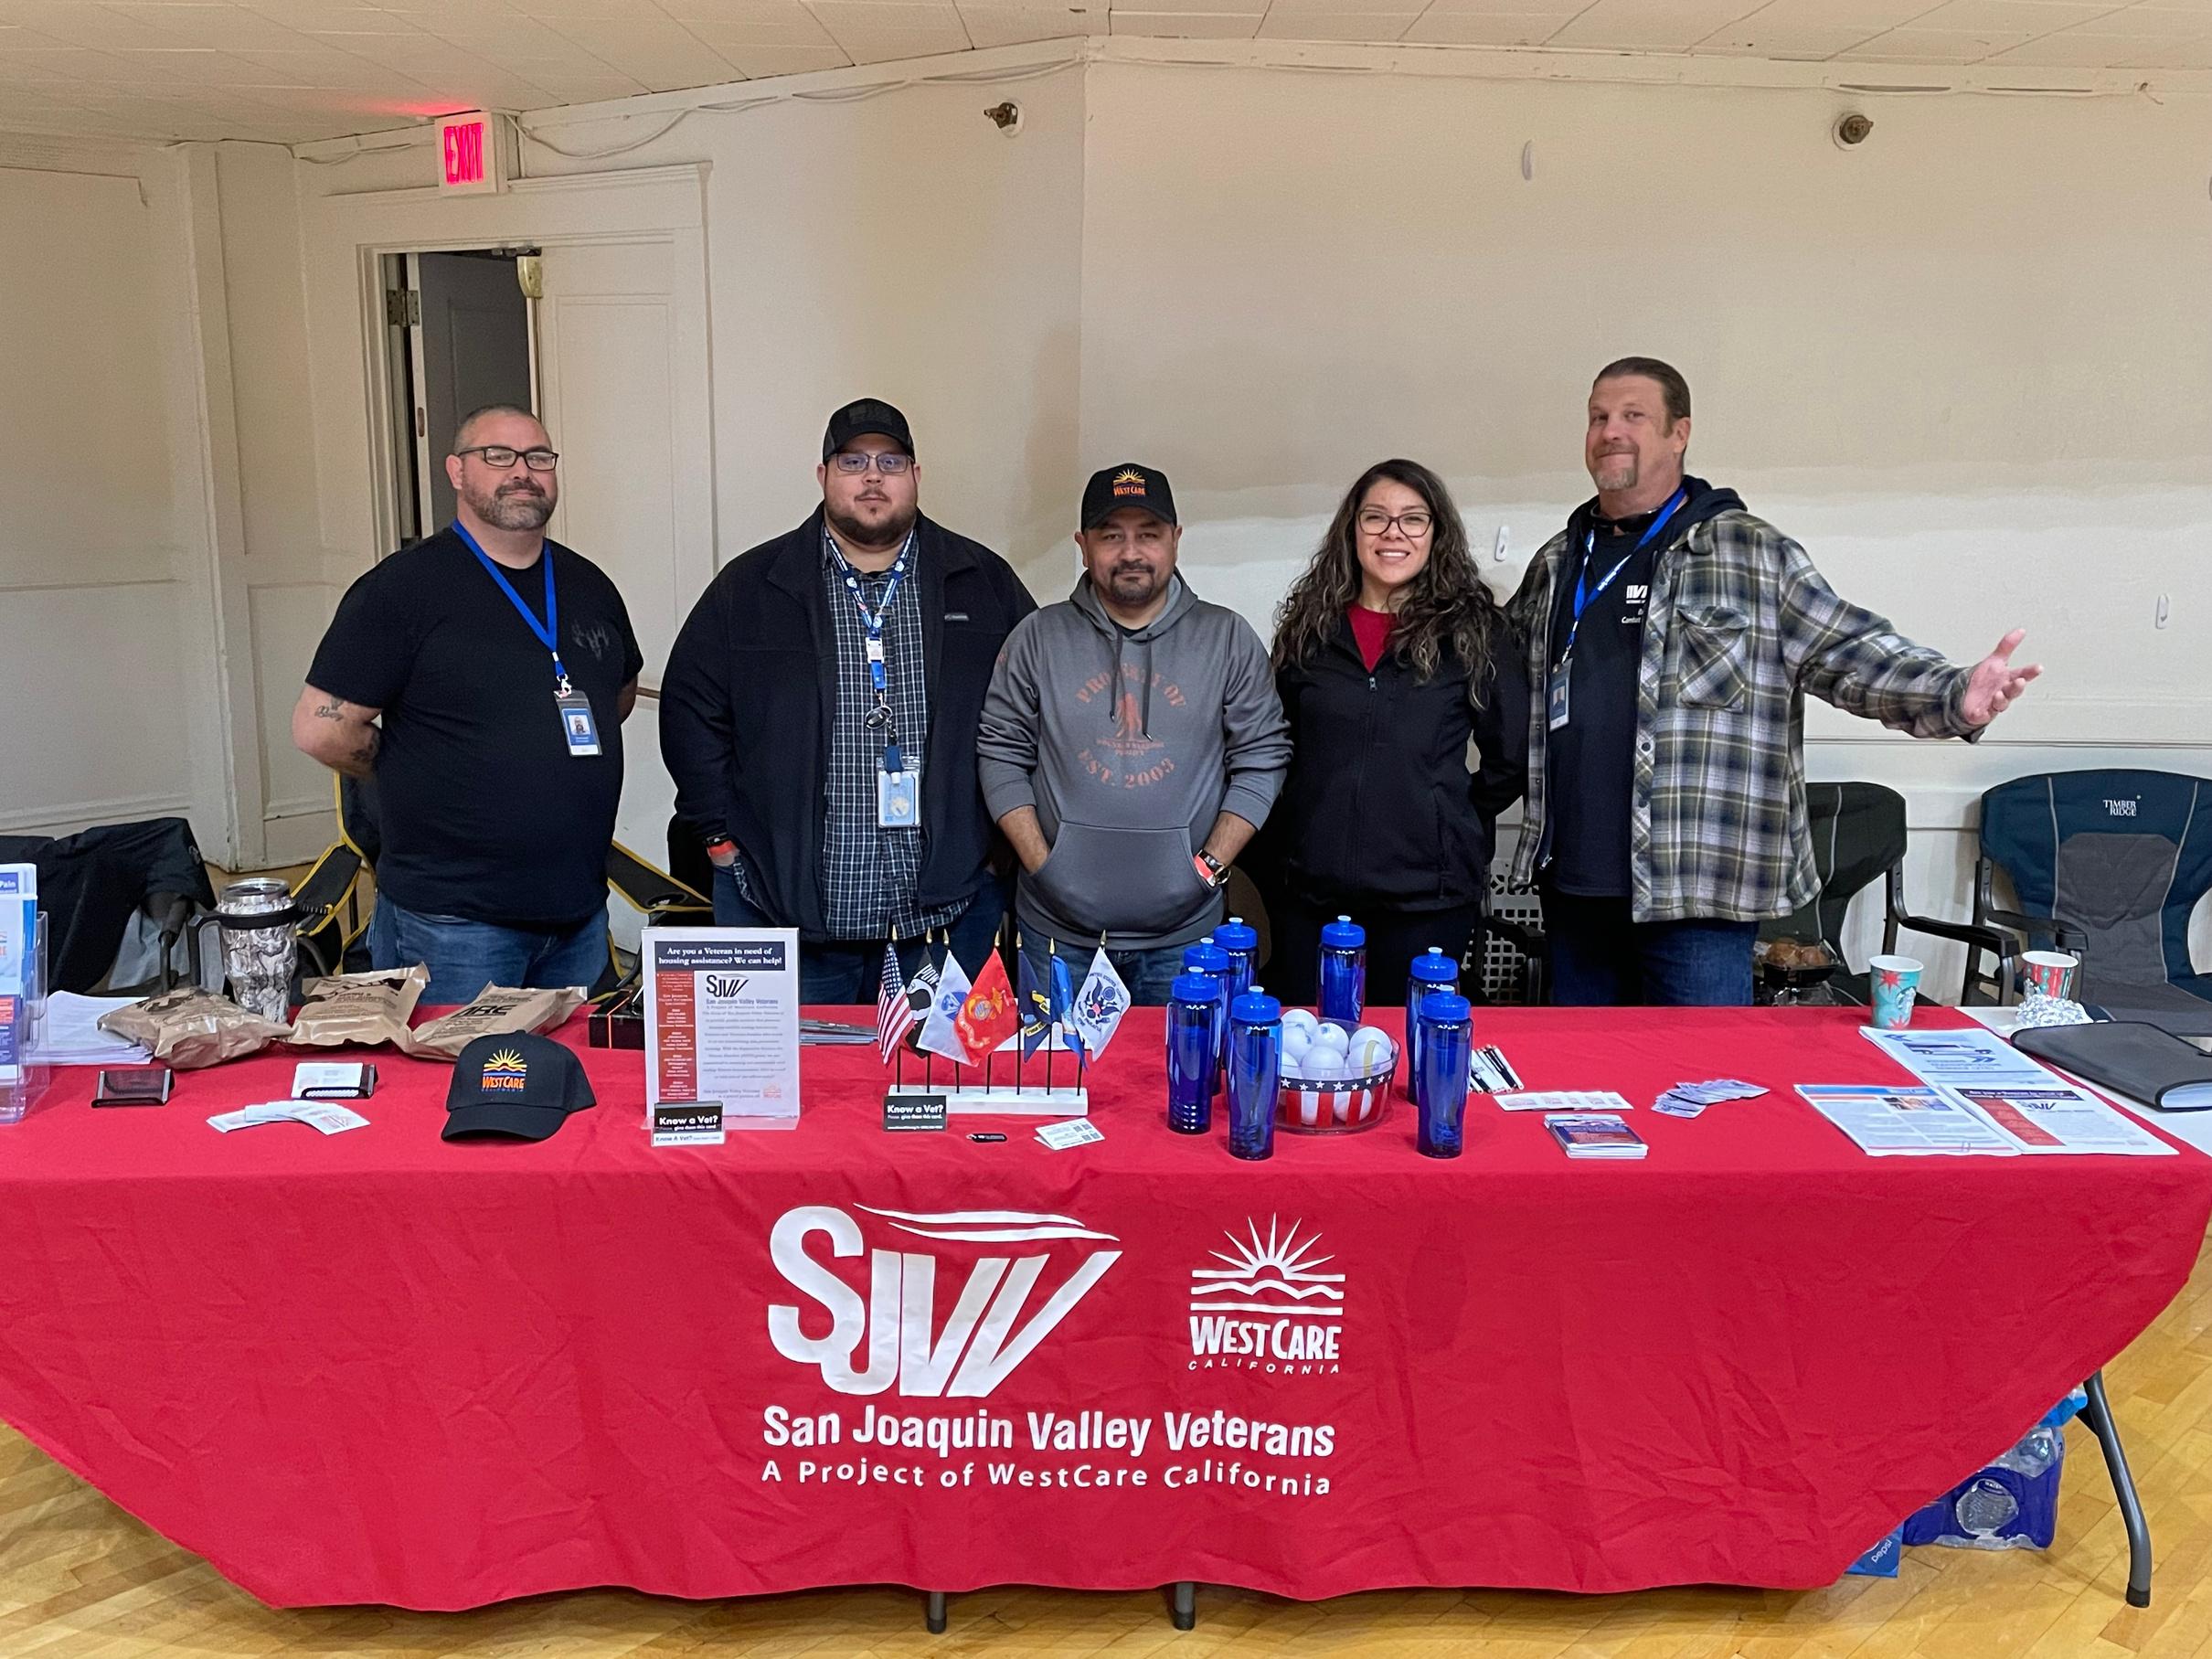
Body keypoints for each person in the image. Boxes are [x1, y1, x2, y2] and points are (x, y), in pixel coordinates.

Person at [1508, 356, 2040, 1005]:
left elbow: (1849, 650)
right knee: (1584, 1072)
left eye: (1633, 415)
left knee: (1703, 1069)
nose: (1610, 431)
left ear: (1680, 433)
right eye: (1598, 417)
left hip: (1698, 892)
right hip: (1574, 888)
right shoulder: (1559, 561)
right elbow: (1500, 678)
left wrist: (1954, 694)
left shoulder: (1752, 553)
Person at [658, 399, 1035, 1004]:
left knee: (932, 1066)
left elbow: (1034, 713)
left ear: (916, 475)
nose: (872, 477)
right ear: (823, 475)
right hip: (783, 908)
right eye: (853, 461)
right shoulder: (751, 587)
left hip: (950, 911)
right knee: (802, 1068)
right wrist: (719, 837)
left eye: (891, 462)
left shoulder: (984, 583)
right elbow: (690, 710)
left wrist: (999, 849)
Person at [293, 405, 642, 1004]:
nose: (522, 471)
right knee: (457, 1067)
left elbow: (618, 696)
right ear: (456, 471)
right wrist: (407, 763)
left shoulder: (590, 585)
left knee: (569, 1065)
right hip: (454, 922)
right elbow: (321, 729)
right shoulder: (401, 590)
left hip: (578, 912)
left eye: (539, 457)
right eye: (498, 456)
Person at [978, 463, 1291, 1005]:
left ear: (1175, 540)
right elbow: (1000, 753)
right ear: (1083, 546)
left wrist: (1208, 867)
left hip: (1186, 939)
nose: (1131, 552)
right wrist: (1042, 865)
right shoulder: (1037, 638)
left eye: (1148, 534)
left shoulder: (1227, 638)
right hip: (1056, 938)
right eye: (1111, 536)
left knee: (1180, 1062)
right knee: (1056, 1062)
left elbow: (1262, 758)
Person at [1257, 459, 1528, 1006]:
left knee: (1408, 1046)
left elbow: (1512, 755)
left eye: (1413, 519)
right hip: (1311, 897)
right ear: (1352, 529)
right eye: (1375, 517)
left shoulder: (1475, 631)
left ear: (1436, 533)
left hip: (1427, 901)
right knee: (1313, 1045)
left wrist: (1445, 813)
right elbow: (1272, 746)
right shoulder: (1310, 629)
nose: (1393, 533)